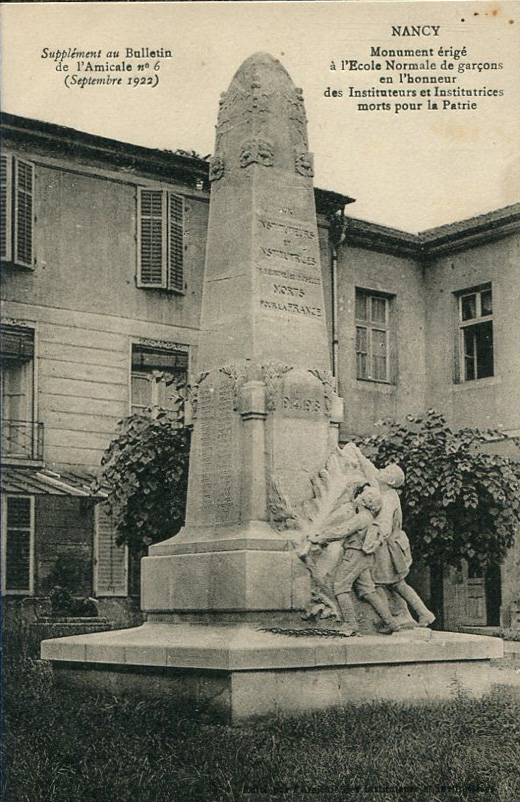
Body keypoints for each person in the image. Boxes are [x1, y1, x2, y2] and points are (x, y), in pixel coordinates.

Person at [350, 445, 435, 627]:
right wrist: (356, 452)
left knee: (379, 583)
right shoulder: (384, 490)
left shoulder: (388, 499)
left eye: (386, 471)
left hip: (385, 548)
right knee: (398, 584)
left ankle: (389, 620)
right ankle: (422, 613)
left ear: (389, 480)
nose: (381, 471)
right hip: (391, 546)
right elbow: (371, 470)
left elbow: (385, 526)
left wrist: (376, 541)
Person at [308, 486, 401, 634]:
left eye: (361, 495)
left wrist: (319, 537)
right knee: (368, 591)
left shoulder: (361, 518)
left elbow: (342, 530)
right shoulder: (370, 518)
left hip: (354, 556)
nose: (357, 497)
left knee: (340, 586)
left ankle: (350, 624)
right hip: (365, 558)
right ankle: (392, 624)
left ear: (365, 502)